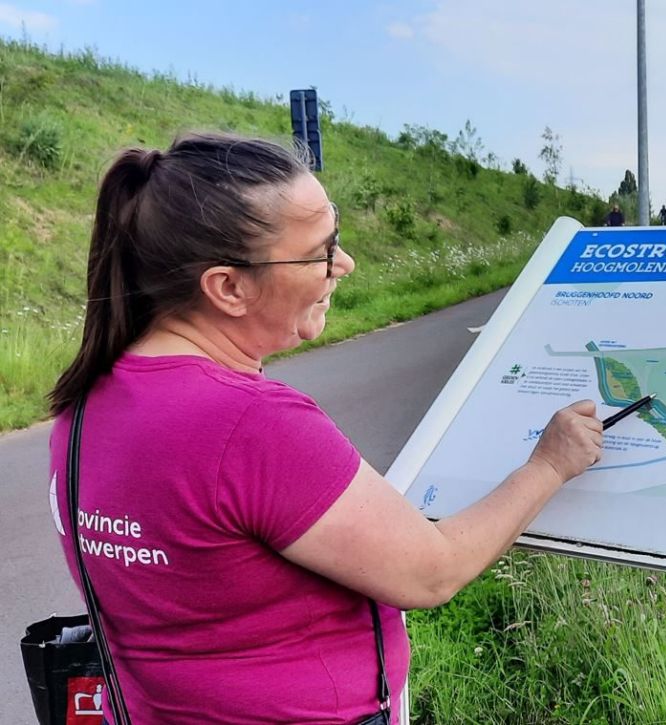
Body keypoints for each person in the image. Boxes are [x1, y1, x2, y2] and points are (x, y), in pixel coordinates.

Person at [46, 133, 603, 724]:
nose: (345, 265)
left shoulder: (85, 400)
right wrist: (549, 465)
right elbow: (433, 571)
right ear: (229, 287)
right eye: (320, 252)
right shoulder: (251, 424)